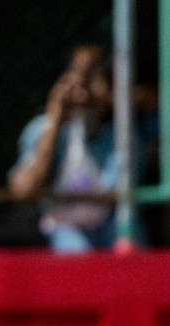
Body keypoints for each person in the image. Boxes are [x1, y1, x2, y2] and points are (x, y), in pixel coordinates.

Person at [8, 44, 146, 252]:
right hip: (64, 227)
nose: (83, 82)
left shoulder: (121, 135)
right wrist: (56, 118)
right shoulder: (41, 129)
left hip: (111, 225)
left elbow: (118, 194)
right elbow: (24, 189)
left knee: (128, 248)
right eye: (77, 72)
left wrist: (106, 106)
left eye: (93, 74)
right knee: (77, 252)